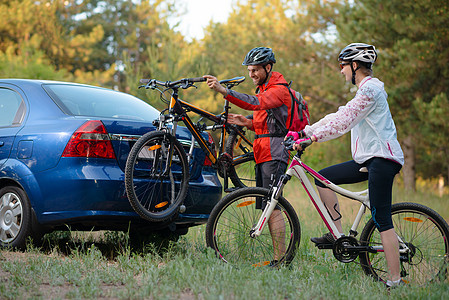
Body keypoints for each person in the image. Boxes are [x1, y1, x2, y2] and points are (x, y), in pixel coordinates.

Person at [288, 43, 405, 287]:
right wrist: (304, 131)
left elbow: (344, 121)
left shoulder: (371, 90)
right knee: (322, 177)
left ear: (355, 65)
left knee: (382, 220)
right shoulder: (363, 91)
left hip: (383, 159)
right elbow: (338, 115)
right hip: (368, 158)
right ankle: (338, 236)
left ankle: (395, 281)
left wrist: (312, 138)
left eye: (343, 66)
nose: (341, 71)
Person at [204, 47, 294, 263]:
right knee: (267, 206)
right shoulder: (264, 88)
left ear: (268, 67)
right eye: (250, 70)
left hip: (275, 152)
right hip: (263, 151)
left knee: (273, 207)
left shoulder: (278, 90)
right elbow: (267, 123)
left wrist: (224, 91)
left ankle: (280, 259)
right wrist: (248, 123)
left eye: (255, 70)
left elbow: (256, 104)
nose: (251, 74)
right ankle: (278, 258)